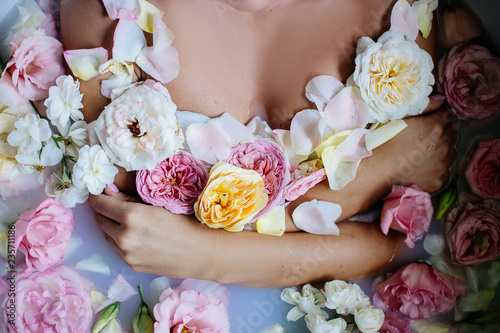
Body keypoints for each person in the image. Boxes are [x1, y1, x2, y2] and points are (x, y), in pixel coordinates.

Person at [60, 0, 455, 288]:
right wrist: (378, 172)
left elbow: (397, 245)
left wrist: (208, 256)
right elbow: (371, 245)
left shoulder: (395, 14)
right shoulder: (113, 12)